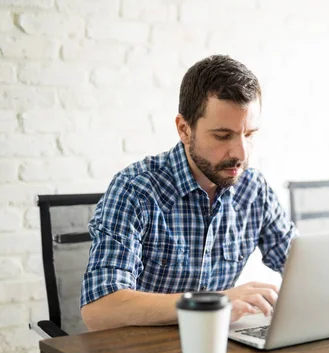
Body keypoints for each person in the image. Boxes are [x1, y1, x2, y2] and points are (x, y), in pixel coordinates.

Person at [80, 55, 295, 330]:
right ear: (184, 129)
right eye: (222, 136)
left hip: (216, 348)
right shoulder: (136, 190)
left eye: (249, 134)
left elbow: (302, 271)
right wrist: (215, 302)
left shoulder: (253, 190)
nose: (241, 153)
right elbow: (99, 310)